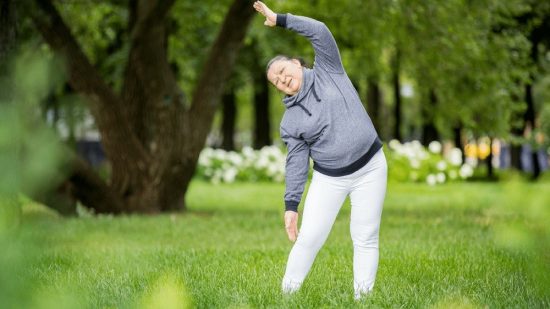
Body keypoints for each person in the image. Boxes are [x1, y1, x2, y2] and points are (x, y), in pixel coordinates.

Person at [253, 1, 388, 300]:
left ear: (297, 64)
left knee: (365, 236)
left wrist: (281, 19)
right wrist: (291, 205)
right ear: (279, 90)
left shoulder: (329, 68)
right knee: (310, 237)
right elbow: (297, 164)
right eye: (277, 81)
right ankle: (286, 296)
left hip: (371, 167)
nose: (282, 78)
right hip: (330, 179)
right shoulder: (291, 122)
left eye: (283, 70)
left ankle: (362, 300)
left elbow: (320, 31)